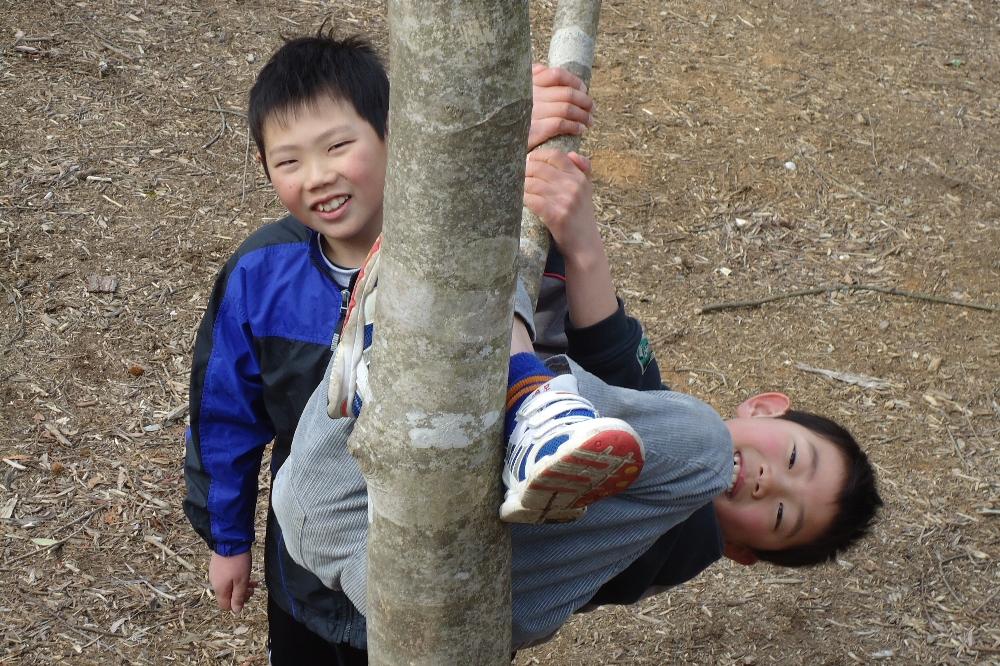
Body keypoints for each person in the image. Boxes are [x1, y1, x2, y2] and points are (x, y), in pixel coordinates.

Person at [272, 148, 883, 649]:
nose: (765, 482)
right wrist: (576, 231)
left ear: (745, 554)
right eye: (794, 460)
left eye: (779, 515)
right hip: (367, 539)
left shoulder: (691, 527)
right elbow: (614, 350)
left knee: (699, 442)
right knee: (667, 431)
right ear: (765, 406)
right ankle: (494, 384)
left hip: (360, 537)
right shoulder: (652, 437)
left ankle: (410, 351)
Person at [182, 32, 600, 664]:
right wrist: (227, 539)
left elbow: (550, 346)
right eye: (287, 161)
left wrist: (510, 147)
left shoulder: (471, 259)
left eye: (338, 146)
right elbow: (224, 418)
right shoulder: (260, 273)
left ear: (395, 137)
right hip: (311, 570)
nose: (317, 176)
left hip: (449, 560)